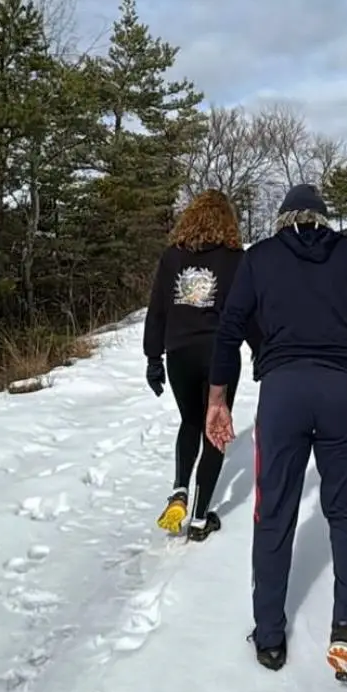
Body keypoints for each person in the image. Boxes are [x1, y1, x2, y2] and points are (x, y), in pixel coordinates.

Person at [206, 183, 347, 682]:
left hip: (283, 395)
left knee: (273, 513)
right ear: (322, 218)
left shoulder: (260, 257)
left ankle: (270, 637)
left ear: (283, 219)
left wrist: (216, 401)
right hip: (345, 394)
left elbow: (230, 329)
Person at [143, 189, 250, 542]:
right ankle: (201, 519)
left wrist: (153, 358)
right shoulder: (235, 259)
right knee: (214, 428)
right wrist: (262, 350)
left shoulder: (171, 256)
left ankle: (179, 489)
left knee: (191, 420)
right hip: (220, 353)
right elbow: (246, 310)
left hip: (180, 353)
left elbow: (158, 310)